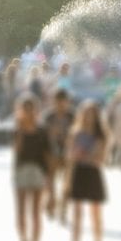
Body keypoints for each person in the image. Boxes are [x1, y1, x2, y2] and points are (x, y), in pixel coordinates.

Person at [66, 101, 108, 241]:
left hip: (93, 174)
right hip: (78, 172)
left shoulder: (101, 135)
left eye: (92, 113)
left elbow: (100, 159)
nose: (89, 117)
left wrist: (86, 156)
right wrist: (68, 181)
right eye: (87, 113)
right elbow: (71, 156)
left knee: (95, 212)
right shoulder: (75, 133)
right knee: (76, 213)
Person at [13, 96, 51, 241]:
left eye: (31, 108)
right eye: (25, 108)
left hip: (38, 171)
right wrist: (21, 130)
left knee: (35, 212)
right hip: (21, 170)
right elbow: (16, 150)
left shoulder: (42, 130)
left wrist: (49, 179)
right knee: (21, 210)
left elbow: (47, 156)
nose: (28, 112)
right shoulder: (17, 129)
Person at [42, 89, 75, 222]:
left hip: (68, 153)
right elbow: (42, 135)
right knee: (50, 182)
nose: (60, 104)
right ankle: (51, 202)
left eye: (63, 101)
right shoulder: (48, 116)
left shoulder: (72, 116)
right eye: (58, 101)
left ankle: (63, 210)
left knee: (67, 184)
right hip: (51, 152)